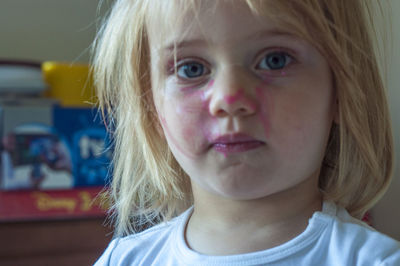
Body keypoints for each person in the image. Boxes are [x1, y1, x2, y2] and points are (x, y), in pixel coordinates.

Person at [93, 0, 400, 265]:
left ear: (340, 92)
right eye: (191, 69)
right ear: (151, 107)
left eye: (274, 60)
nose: (229, 99)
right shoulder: (124, 260)